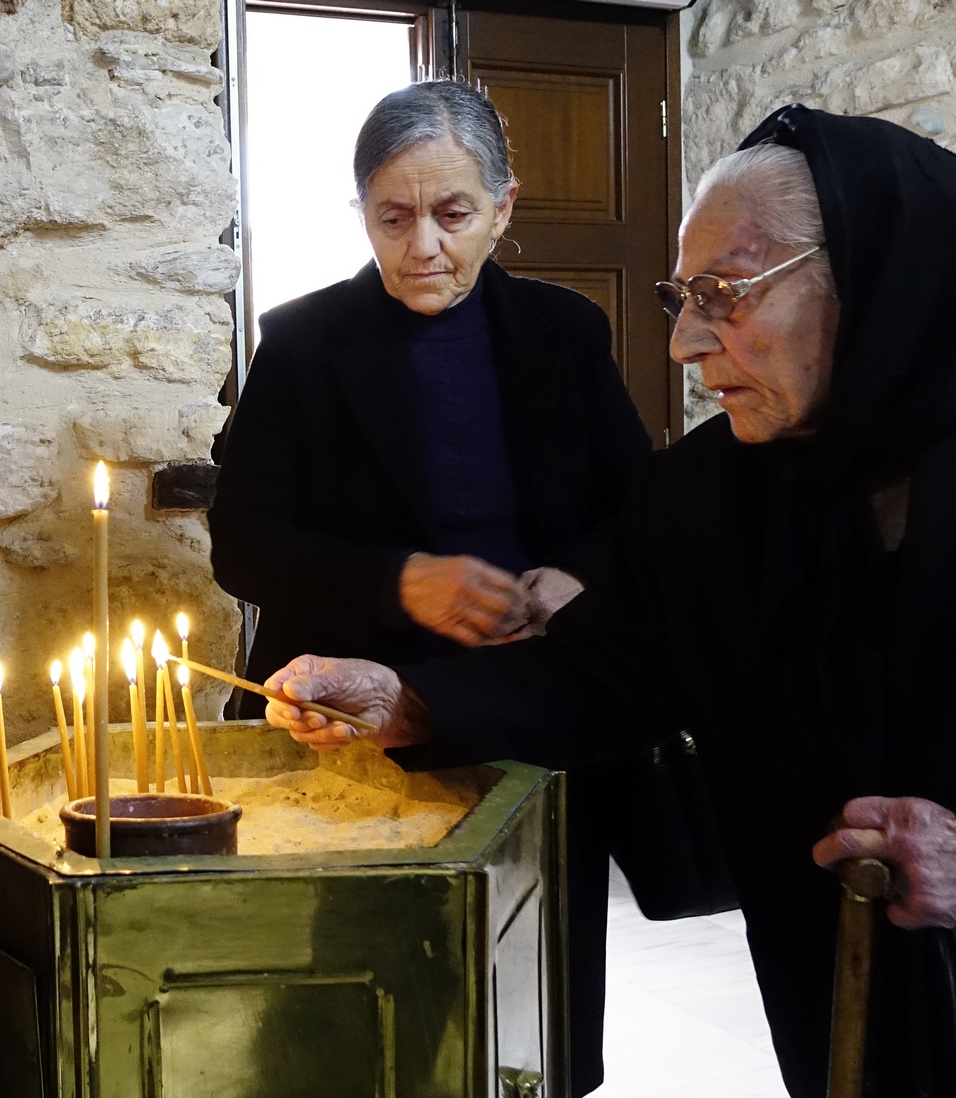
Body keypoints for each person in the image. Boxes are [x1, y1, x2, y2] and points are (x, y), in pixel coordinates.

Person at [261, 104, 956, 1098]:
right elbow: (618, 671)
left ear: (877, 276)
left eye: (724, 293)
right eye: (680, 296)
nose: (684, 343)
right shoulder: (711, 490)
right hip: (837, 984)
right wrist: (413, 702)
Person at [208, 81, 653, 1096]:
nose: (423, 247)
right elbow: (245, 545)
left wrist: (569, 576)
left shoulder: (565, 333)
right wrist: (402, 580)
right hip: (354, 723)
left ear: (503, 207)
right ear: (361, 210)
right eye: (392, 216)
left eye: (453, 215)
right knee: (351, 1012)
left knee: (533, 1005)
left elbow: (640, 506)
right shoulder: (307, 342)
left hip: (533, 716)